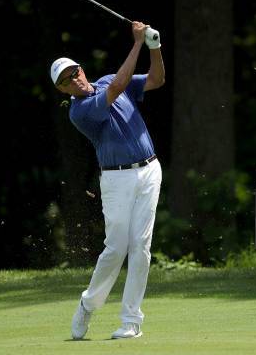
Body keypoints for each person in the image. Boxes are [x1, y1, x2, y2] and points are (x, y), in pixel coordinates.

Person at [49, 21, 165, 340]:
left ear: (82, 70)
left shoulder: (109, 79)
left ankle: (131, 321)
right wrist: (138, 43)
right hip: (117, 180)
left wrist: (155, 46)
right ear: (62, 90)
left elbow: (156, 79)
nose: (74, 80)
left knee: (141, 247)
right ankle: (88, 305)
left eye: (75, 72)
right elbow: (117, 89)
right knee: (116, 248)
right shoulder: (80, 111)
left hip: (149, 171)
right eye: (66, 80)